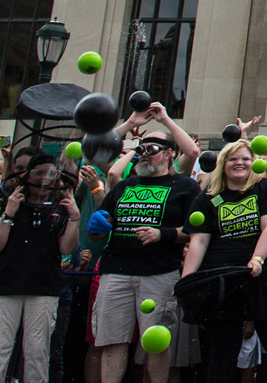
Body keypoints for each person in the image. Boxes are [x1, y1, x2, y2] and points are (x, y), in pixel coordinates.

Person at [180, 139, 267, 383]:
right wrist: (187, 282)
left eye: (245, 158)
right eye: (233, 159)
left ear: (253, 162)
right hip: (223, 282)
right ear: (223, 165)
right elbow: (199, 241)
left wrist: (257, 259)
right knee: (222, 353)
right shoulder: (208, 198)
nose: (240, 163)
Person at [93, 130, 202, 383]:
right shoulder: (124, 186)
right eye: (141, 149)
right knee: (112, 341)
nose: (144, 154)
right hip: (115, 272)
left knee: (156, 341)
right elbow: (101, 227)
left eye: (151, 149)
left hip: (159, 273)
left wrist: (161, 234)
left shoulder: (185, 187)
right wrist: (97, 227)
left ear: (170, 153)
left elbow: (197, 233)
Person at [0, 154, 78, 383]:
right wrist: (9, 214)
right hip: (4, 286)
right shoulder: (7, 200)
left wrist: (74, 217)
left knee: (37, 352)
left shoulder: (61, 207)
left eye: (51, 174)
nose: (45, 178)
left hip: (44, 288)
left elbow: (66, 249)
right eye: (40, 173)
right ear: (29, 175)